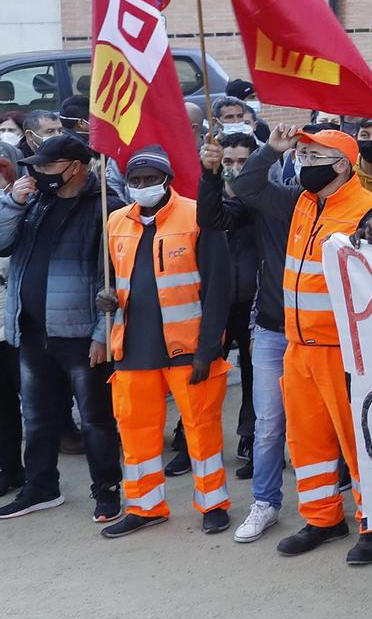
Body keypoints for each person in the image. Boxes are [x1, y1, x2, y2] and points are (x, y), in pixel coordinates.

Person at [227, 126, 372, 562]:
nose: (302, 163)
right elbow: (246, 187)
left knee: (357, 444)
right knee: (308, 441)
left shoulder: (367, 209)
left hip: (343, 350)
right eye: (300, 155)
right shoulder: (301, 201)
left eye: (311, 156)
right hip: (298, 344)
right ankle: (323, 518)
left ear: (341, 164)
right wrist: (271, 150)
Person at [94, 147, 236, 538]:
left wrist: (210, 347)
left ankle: (213, 504)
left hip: (187, 347)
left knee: (201, 428)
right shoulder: (115, 220)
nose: (141, 187)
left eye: (149, 180)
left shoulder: (197, 216)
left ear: (167, 180)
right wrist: (105, 298)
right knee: (136, 432)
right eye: (134, 181)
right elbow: (107, 279)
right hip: (133, 347)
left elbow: (219, 287)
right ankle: (145, 506)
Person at [0, 134, 122, 521]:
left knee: (95, 420)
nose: (37, 172)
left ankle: (107, 490)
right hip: (33, 329)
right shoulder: (34, 201)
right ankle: (40, 487)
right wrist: (12, 203)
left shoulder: (106, 206)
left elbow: (116, 279)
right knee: (37, 416)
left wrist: (103, 334)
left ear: (75, 167)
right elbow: (2, 243)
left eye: (47, 166)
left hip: (82, 335)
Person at [200, 130, 294, 542]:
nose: (236, 170)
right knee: (269, 425)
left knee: (326, 423)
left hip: (320, 331)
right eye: (230, 163)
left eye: (314, 157)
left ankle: (337, 504)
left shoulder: (297, 199)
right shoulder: (255, 200)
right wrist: (209, 175)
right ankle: (265, 502)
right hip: (271, 327)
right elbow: (213, 216)